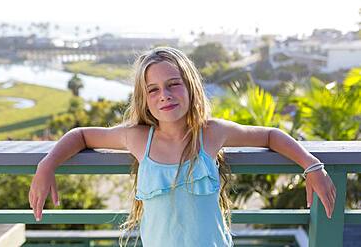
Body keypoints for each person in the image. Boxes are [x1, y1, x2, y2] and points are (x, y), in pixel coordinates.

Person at [29, 47, 336, 247]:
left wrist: (312, 165)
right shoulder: (137, 138)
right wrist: (47, 164)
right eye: (154, 89)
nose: (165, 95)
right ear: (145, 99)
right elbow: (81, 135)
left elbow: (270, 135)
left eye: (173, 84)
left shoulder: (211, 134)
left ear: (190, 87)